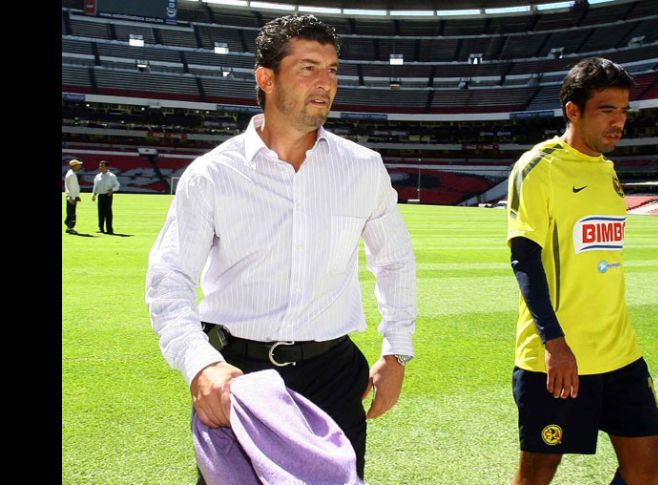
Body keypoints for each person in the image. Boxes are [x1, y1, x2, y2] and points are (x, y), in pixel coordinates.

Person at [145, 14, 416, 483]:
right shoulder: (213, 174)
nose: (326, 82)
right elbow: (168, 281)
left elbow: (393, 262)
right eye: (309, 67)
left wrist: (397, 351)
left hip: (332, 375)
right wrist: (201, 365)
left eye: (332, 70)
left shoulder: (363, 168)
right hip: (239, 377)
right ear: (265, 78)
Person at [505, 57, 658, 485]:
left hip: (620, 352)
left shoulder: (609, 173)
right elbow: (524, 260)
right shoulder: (539, 167)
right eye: (607, 110)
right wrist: (555, 345)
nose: (619, 122)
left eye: (625, 111)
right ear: (573, 110)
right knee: (538, 473)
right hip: (558, 357)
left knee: (647, 470)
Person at [91, 160, 120, 234]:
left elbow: (117, 185)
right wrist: (94, 194)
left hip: (108, 195)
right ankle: (101, 228)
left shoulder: (112, 176)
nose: (100, 167)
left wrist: (112, 190)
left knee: (108, 213)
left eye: (102, 166)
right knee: (100, 213)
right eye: (100, 166)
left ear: (107, 167)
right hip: (100, 196)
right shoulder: (98, 176)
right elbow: (95, 186)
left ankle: (109, 229)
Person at [64, 159, 83, 234]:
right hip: (72, 197)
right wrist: (73, 197)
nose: (80, 166)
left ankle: (69, 226)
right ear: (74, 166)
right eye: (78, 165)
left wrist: (76, 196)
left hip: (72, 196)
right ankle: (70, 227)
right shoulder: (71, 175)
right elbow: (72, 187)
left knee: (71, 212)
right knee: (71, 213)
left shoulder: (71, 173)